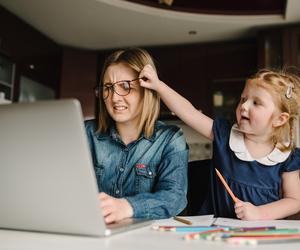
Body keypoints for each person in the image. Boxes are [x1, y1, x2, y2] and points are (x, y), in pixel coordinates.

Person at [139, 65, 300, 220]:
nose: (244, 106)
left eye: (256, 103)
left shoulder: (286, 156)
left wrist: (259, 213)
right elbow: (190, 113)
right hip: (216, 232)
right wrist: (158, 86)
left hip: (260, 236)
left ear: (280, 119)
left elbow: (294, 200)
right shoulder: (225, 135)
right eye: (243, 99)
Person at [85, 48, 189, 224]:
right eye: (108, 88)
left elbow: (175, 198)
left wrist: (128, 207)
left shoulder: (170, 139)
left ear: (147, 90)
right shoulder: (86, 133)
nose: (114, 98)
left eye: (125, 87)